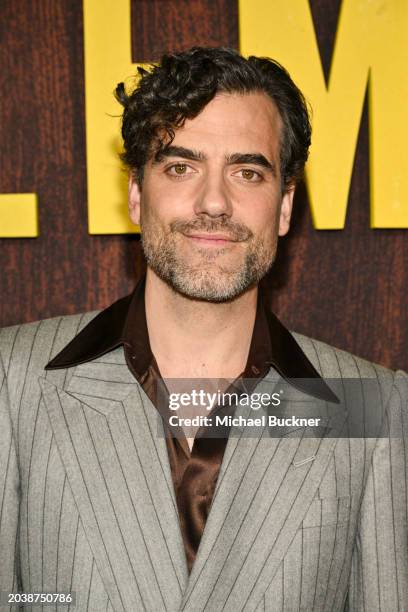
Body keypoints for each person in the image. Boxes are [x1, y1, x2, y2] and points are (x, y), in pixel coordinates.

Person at [0, 47, 406, 612]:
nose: (214, 201)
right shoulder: (14, 382)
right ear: (137, 195)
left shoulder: (372, 406)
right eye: (180, 167)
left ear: (285, 207)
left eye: (247, 172)